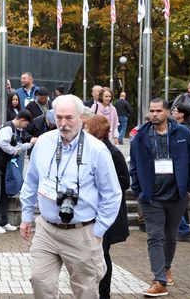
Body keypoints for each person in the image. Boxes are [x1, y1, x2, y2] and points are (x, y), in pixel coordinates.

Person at [20, 94, 122, 298]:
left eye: (68, 118)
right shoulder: (43, 143)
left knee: (84, 289)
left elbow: (112, 194)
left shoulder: (97, 150)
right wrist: (26, 216)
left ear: (81, 117)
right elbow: (31, 182)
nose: (63, 123)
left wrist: (98, 230)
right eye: (59, 118)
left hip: (82, 231)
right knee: (39, 281)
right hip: (47, 229)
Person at [129, 98, 190, 297]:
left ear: (168, 112)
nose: (154, 114)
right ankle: (159, 280)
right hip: (151, 198)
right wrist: (139, 190)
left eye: (158, 110)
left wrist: (189, 188)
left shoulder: (183, 133)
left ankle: (166, 266)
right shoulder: (140, 135)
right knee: (155, 237)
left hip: (178, 195)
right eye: (151, 110)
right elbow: (133, 166)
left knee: (170, 236)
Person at [83, 115, 130, 299]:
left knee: (103, 253)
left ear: (96, 130)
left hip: (109, 211)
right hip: (93, 210)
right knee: (96, 254)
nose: (84, 130)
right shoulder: (91, 150)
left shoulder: (113, 153)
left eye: (87, 127)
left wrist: (102, 185)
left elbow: (125, 182)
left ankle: (104, 294)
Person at [0, 110, 35, 234]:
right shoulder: (8, 128)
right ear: (22, 120)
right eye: (26, 124)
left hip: (1, 164)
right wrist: (13, 151)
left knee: (3, 194)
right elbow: (2, 143)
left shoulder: (13, 129)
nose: (25, 127)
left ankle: (3, 221)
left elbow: (17, 145)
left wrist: (28, 145)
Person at [171, 103, 190, 242]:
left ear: (181, 114)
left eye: (175, 111)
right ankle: (183, 229)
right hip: (180, 173)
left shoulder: (184, 130)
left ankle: (184, 230)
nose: (173, 112)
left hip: (180, 173)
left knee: (176, 204)